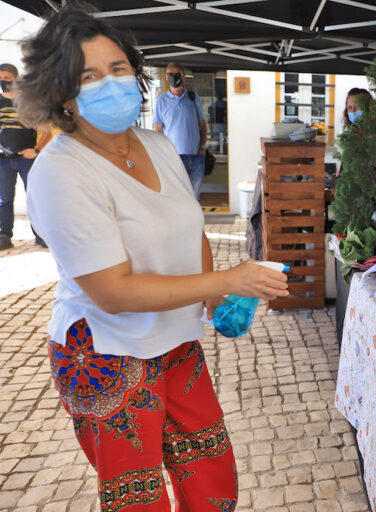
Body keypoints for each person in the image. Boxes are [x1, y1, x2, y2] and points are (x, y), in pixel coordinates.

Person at [15, 5, 288, 511]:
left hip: (176, 343)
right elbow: (113, 292)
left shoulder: (157, 145)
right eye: (88, 75)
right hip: (106, 353)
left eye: (117, 68)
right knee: (138, 498)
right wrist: (226, 279)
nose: (110, 83)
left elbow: (191, 229)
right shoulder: (61, 172)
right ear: (60, 93)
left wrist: (214, 293)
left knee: (211, 474)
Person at [0, 63, 51, 250]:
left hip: (27, 158)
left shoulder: (29, 103)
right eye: (0, 78)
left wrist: (35, 150)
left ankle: (40, 235)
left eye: (6, 78)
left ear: (16, 79)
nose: (3, 82)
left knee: (35, 197)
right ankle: (4, 236)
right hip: (3, 160)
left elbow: (46, 132)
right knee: (4, 199)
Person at [153, 62, 207, 200]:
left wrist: (202, 146)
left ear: (184, 77)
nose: (173, 77)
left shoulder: (193, 98)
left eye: (177, 74)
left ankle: (195, 222)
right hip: (174, 157)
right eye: (170, 74)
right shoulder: (161, 101)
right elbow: (158, 130)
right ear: (166, 77)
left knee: (194, 196)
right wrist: (164, 152)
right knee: (177, 196)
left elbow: (203, 125)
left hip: (196, 156)